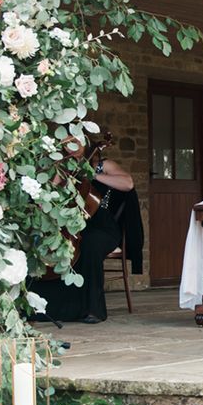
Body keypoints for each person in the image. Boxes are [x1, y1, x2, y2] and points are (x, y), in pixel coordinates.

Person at [31, 136, 144, 324]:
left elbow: (128, 183)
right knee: (48, 246)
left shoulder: (102, 165)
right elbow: (47, 196)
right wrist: (60, 173)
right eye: (67, 143)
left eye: (76, 141)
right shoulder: (61, 167)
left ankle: (93, 310)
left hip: (102, 226)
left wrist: (91, 175)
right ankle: (47, 308)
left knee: (90, 244)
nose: (73, 146)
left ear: (86, 143)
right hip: (71, 226)